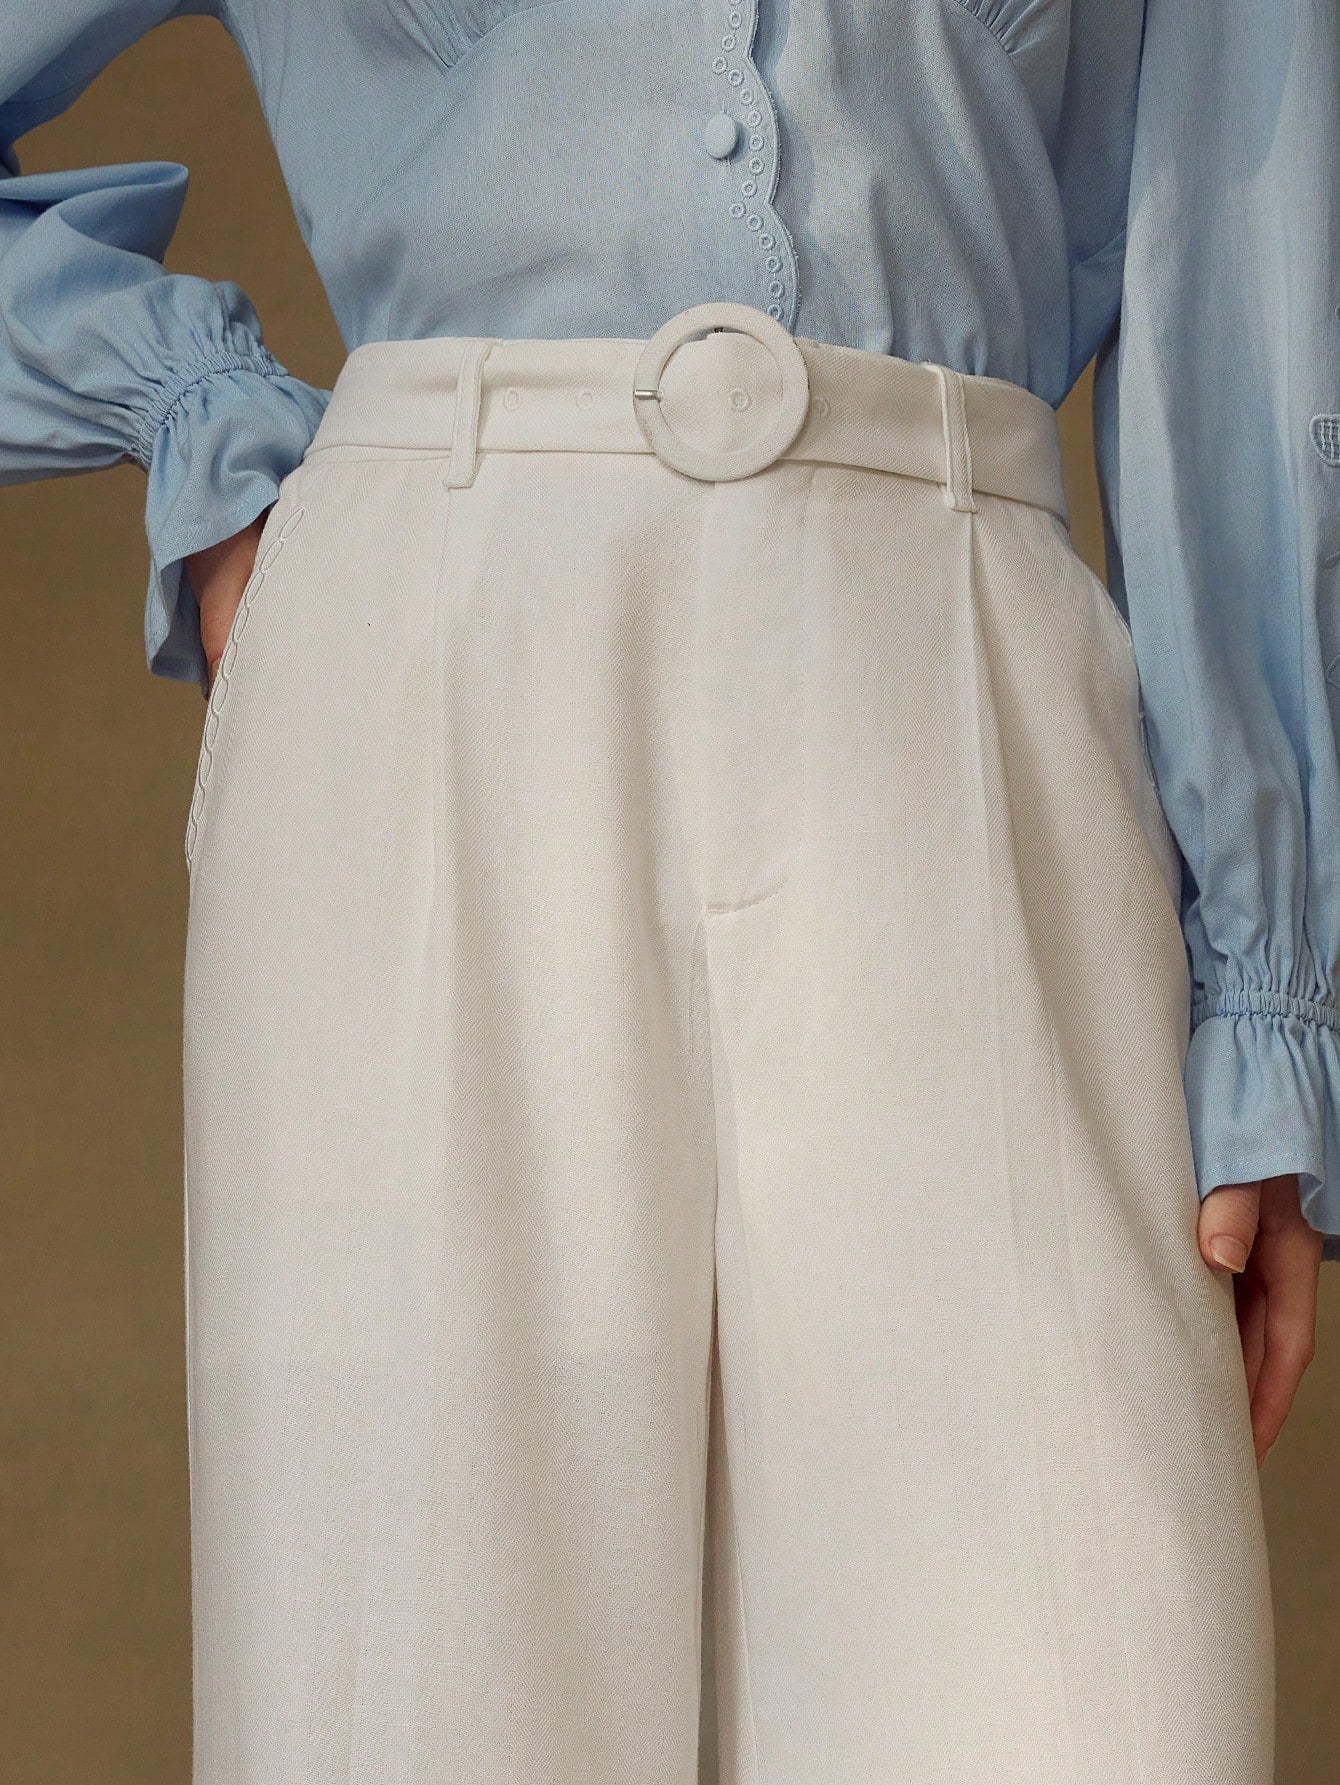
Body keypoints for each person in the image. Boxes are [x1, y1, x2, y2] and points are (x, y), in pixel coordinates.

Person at [2, 2, 1335, 1780]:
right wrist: (193, 413)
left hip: (964, 660)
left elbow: (1247, 278)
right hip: (438, 651)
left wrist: (1266, 989)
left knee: (1093, 1699)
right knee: (430, 1710)